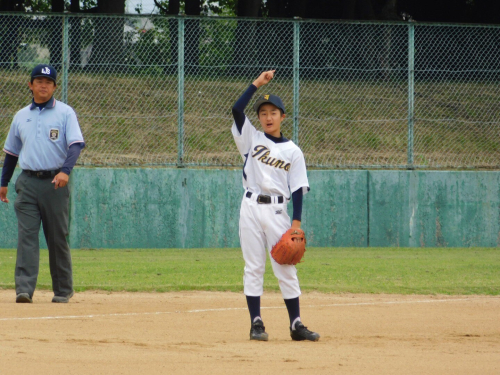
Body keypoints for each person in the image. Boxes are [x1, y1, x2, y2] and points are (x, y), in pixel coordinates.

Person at [231, 70, 320, 341]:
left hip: (278, 211)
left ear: (283, 117)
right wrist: (257, 83)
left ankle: (296, 325)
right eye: (263, 113)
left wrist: (296, 224)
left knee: (285, 265)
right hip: (250, 208)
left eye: (273, 112)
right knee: (253, 266)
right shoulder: (251, 139)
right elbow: (236, 109)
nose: (268, 117)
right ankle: (256, 323)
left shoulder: (293, 151)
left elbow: (298, 188)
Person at [0, 64, 85, 303]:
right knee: (26, 236)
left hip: (54, 183)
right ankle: (24, 289)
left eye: (48, 82)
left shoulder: (65, 113)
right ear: (30, 85)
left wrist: (65, 171)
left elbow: (76, 145)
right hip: (27, 182)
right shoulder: (20, 116)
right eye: (38, 81)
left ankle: (62, 289)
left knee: (57, 237)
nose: (43, 85)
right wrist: (3, 181)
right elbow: (11, 153)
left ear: (55, 86)